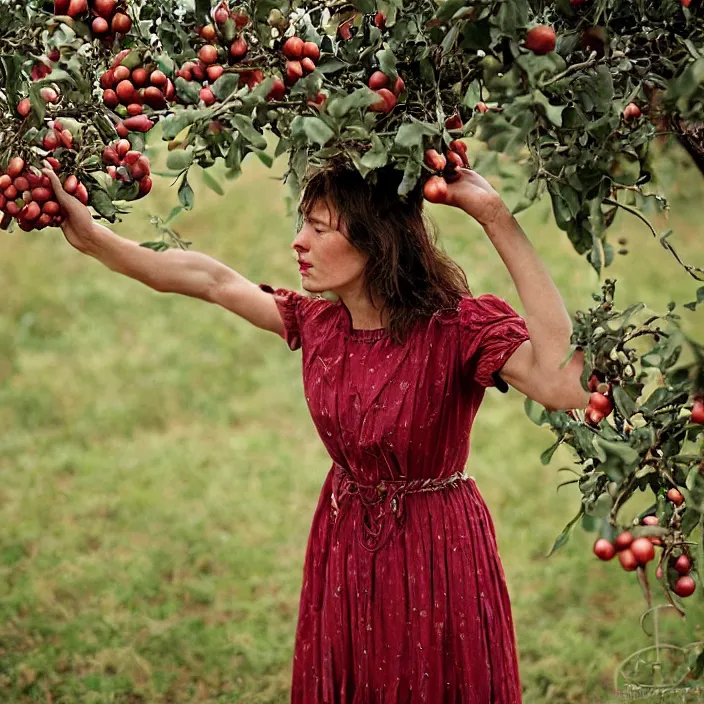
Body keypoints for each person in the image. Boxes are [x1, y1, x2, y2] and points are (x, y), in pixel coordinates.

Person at [42, 156, 588, 703]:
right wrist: (94, 238)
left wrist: (494, 215)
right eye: (302, 224)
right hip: (345, 533)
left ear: (376, 240)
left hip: (436, 543)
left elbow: (565, 383)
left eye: (319, 228)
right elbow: (210, 281)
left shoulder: (457, 329)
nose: (298, 242)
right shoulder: (321, 325)